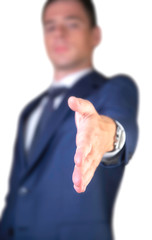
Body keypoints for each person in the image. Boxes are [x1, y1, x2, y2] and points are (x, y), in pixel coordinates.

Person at [0, 0, 138, 239]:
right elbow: (18, 192)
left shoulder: (114, 89)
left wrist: (107, 135)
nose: (59, 34)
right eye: (50, 26)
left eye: (72, 24)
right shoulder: (30, 110)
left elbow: (118, 127)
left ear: (95, 35)